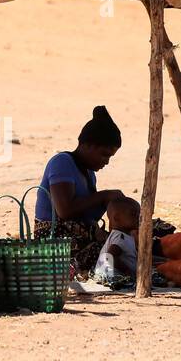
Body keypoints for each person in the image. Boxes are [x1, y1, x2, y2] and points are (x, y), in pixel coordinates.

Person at [34, 106, 126, 276]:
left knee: (123, 245)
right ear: (87, 145)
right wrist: (104, 195)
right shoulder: (62, 162)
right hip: (54, 241)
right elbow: (65, 210)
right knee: (111, 252)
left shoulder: (89, 173)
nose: (106, 162)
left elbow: (86, 214)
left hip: (77, 238)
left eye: (110, 157)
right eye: (104, 155)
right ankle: (69, 269)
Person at [92, 197, 141, 286]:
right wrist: (126, 270)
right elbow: (109, 256)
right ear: (117, 218)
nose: (139, 218)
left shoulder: (125, 235)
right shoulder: (120, 237)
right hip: (111, 276)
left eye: (139, 215)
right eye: (134, 214)